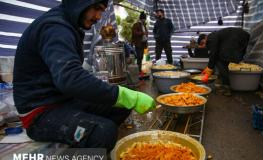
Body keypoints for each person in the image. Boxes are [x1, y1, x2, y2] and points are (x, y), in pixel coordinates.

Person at [13, 0, 156, 151]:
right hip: (39, 111)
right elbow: (70, 79)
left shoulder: (69, 25)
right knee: (105, 132)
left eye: (102, 10)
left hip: (64, 99)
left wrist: (125, 96)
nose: (99, 17)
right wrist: (123, 95)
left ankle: (86, 138)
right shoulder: (55, 27)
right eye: (96, 9)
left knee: (121, 106)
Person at [202, 27, 250, 96]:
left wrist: (209, 68)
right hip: (242, 37)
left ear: (205, 38)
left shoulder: (211, 37)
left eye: (202, 43)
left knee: (220, 62)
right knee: (223, 60)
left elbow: (213, 53)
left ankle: (226, 88)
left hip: (236, 38)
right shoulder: (217, 35)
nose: (204, 46)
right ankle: (223, 81)